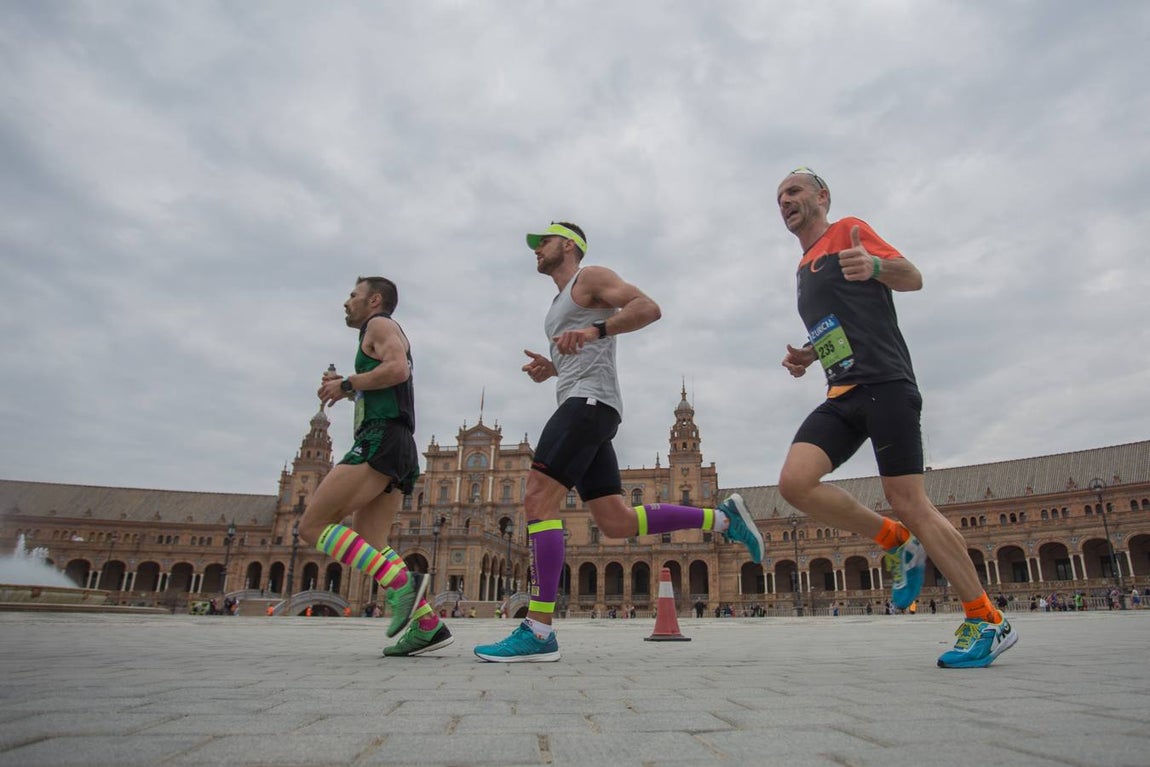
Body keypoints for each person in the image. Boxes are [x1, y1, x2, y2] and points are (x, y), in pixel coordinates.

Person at [474, 222, 764, 663]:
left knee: (537, 499)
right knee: (615, 522)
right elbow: (580, 354)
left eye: (543, 242)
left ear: (568, 245)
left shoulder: (589, 278)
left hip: (588, 403)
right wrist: (551, 368)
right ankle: (722, 520)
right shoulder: (557, 302)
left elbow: (647, 308)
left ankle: (538, 629)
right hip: (586, 400)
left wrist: (597, 330)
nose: (536, 250)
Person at [774, 168, 1018, 669]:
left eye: (794, 191)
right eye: (779, 197)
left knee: (910, 500)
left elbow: (913, 276)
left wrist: (877, 267)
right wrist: (809, 354)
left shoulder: (849, 231)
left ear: (822, 196)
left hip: (885, 383)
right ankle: (896, 541)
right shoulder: (803, 267)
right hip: (842, 392)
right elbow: (840, 328)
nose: (785, 200)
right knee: (795, 484)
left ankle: (987, 618)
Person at [298, 276, 454, 657]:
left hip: (379, 439)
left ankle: (402, 586)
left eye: (353, 295)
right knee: (372, 543)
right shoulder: (377, 332)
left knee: (312, 525)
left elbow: (398, 369)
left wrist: (348, 384)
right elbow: (389, 385)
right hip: (398, 443)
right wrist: (350, 387)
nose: (346, 301)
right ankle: (428, 625)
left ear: (375, 300)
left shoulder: (379, 325)